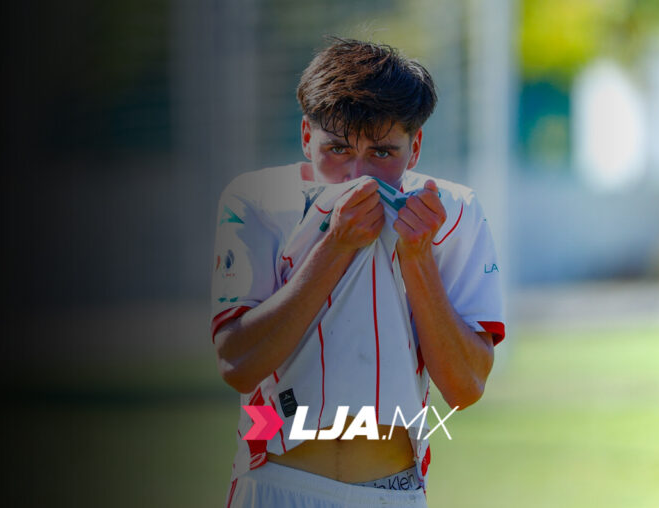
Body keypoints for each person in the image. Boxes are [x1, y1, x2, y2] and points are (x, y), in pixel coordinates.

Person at [211, 38, 505, 508]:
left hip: (391, 492)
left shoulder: (452, 213)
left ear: (415, 147)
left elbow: (466, 388)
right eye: (338, 150)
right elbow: (237, 363)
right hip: (276, 484)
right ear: (307, 136)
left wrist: (417, 258)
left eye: (382, 153)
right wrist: (336, 244)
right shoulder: (256, 202)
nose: (358, 177)